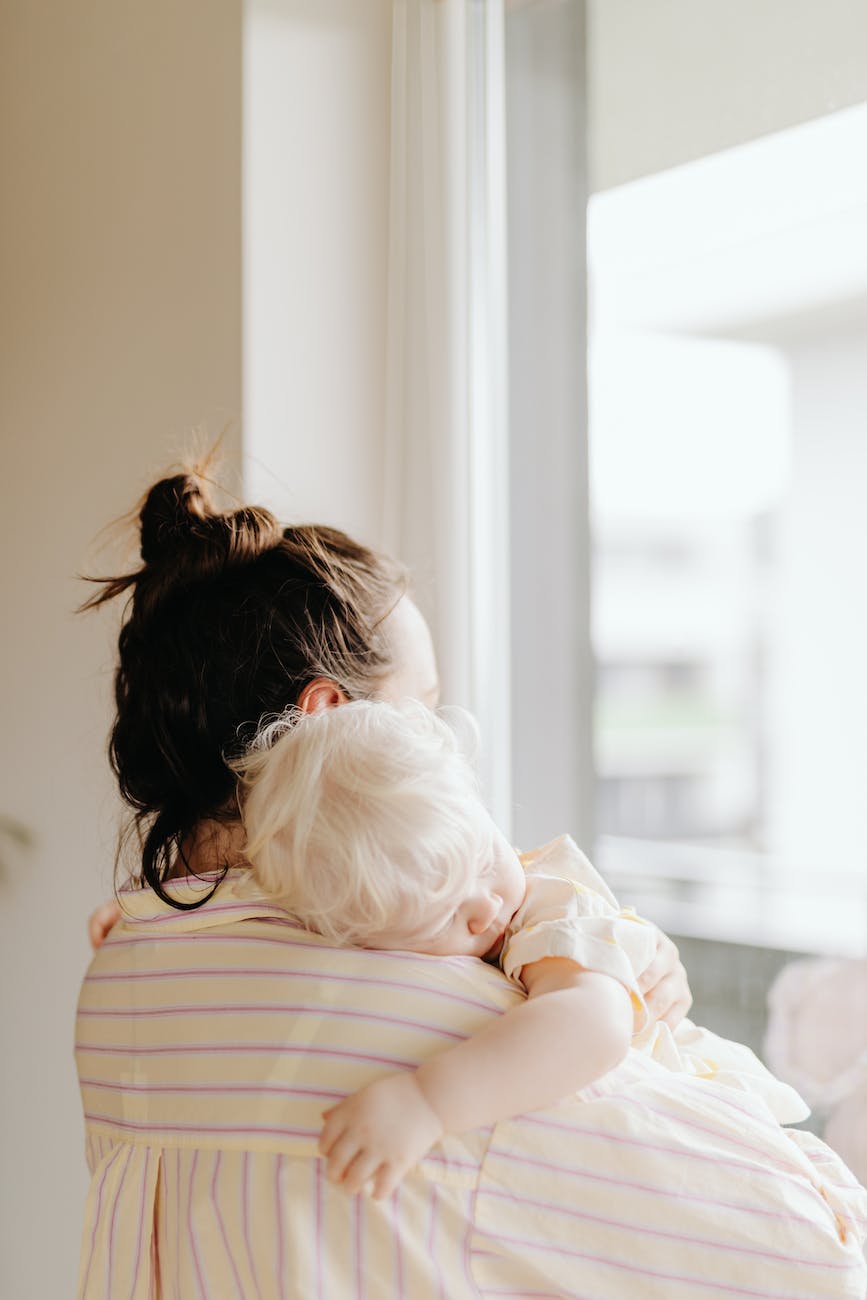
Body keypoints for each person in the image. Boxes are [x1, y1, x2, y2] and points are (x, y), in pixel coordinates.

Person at [77, 464, 852, 1300]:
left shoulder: (118, 985)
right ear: (331, 715)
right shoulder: (454, 1030)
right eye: (424, 707)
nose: (443, 746)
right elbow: (810, 1263)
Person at [227, 696, 867, 1279]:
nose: (485, 906)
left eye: (481, 859)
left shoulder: (552, 905)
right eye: (441, 917)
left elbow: (593, 1027)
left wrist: (428, 1102)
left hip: (736, 1139)